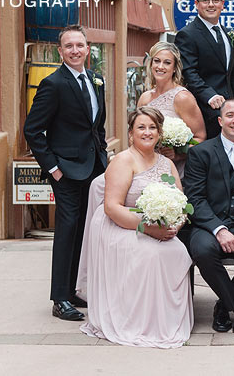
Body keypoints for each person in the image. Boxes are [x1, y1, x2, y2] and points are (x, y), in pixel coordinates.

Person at [78, 107, 192, 347]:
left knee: (178, 251)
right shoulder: (123, 161)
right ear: (131, 134)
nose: (147, 132)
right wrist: (148, 229)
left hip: (159, 229)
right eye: (141, 127)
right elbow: (112, 207)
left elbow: (181, 204)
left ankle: (166, 320)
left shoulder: (167, 164)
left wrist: (176, 226)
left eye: (152, 128)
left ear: (160, 133)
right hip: (122, 226)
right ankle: (140, 321)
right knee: (153, 253)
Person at [24, 25, 108, 321]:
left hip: (94, 169)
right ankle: (59, 298)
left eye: (80, 45)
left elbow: (96, 126)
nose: (75, 50)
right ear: (60, 51)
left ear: (88, 49)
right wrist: (53, 167)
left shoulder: (96, 80)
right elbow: (32, 130)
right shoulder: (53, 84)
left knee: (83, 232)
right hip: (67, 172)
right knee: (67, 231)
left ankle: (71, 290)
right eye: (68, 46)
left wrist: (104, 159)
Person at [182, 98, 234, 336]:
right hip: (210, 224)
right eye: (230, 115)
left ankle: (223, 305)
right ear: (220, 120)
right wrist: (218, 229)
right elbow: (195, 198)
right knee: (202, 251)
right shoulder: (201, 152)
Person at [175, 0, 234, 139]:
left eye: (215, 0)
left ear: (222, 4)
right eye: (205, 0)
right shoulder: (187, 34)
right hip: (205, 112)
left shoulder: (229, 34)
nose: (211, 5)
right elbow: (188, 71)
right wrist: (210, 96)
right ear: (196, 4)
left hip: (231, 116)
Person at [137, 42, 206, 179]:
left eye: (167, 62)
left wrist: (178, 154)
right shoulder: (145, 98)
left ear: (175, 68)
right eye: (157, 61)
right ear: (151, 64)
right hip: (144, 166)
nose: (160, 66)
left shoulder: (182, 98)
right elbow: (133, 133)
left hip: (173, 171)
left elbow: (200, 138)